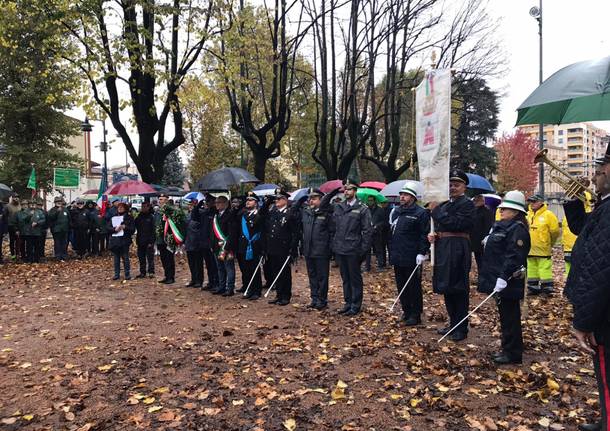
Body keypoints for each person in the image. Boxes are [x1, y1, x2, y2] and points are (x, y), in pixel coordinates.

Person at [563, 146, 610, 431]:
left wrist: (583, 321)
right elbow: (584, 231)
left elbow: (599, 271)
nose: (598, 172)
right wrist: (575, 200)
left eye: (603, 165)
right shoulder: (604, 206)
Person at [477, 191, 530, 365]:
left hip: (508, 280)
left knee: (510, 317)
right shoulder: (502, 226)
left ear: (515, 212)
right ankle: (508, 349)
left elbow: (514, 256)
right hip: (498, 278)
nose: (502, 211)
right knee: (505, 316)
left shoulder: (518, 229)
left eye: (506, 209)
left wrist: (503, 277)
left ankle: (513, 353)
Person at [428, 170, 475, 342]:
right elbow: (444, 226)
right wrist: (436, 235)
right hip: (444, 248)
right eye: (451, 184)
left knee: (458, 288)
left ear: (464, 187)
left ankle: (461, 327)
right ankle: (453, 323)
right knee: (447, 287)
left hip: (458, 249)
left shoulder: (467, 204)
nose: (452, 187)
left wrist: (437, 211)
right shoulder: (446, 204)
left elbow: (457, 224)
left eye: (457, 184)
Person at [389, 181, 430, 326]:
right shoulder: (397, 212)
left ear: (412, 197)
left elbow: (424, 234)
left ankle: (415, 314)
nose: (402, 197)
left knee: (413, 287)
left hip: (412, 256)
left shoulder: (420, 213)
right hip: (398, 255)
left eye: (405, 195)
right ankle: (406, 311)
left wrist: (422, 252)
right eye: (401, 194)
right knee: (401, 286)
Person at [332, 181, 373, 316]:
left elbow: (367, 231)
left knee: (355, 278)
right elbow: (334, 227)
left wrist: (363, 250)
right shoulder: (339, 207)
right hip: (340, 248)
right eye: (345, 190)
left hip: (354, 249)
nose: (346, 192)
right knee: (345, 278)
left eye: (349, 190)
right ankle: (347, 303)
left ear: (355, 191)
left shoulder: (362, 208)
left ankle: (356, 304)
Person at [301, 188, 338, 310]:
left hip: (321, 250)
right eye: (310, 198)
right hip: (309, 250)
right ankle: (314, 298)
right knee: (312, 276)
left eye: (315, 198)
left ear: (321, 200)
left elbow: (332, 231)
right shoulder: (307, 212)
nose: (311, 201)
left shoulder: (326, 213)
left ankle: (322, 300)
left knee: (322, 277)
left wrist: (330, 249)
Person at [264, 189, 300, 305]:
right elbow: (262, 215)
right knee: (275, 271)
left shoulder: (290, 213)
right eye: (275, 199)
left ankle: (285, 296)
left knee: (284, 272)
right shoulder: (273, 212)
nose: (276, 201)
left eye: (279, 199)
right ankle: (279, 294)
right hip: (273, 247)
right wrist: (268, 201)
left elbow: (295, 233)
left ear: (285, 200)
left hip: (284, 248)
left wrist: (292, 248)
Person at [526, 194, 559, 295]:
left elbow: (554, 231)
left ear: (541, 202)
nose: (532, 204)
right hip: (530, 248)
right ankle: (532, 287)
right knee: (531, 268)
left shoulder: (548, 215)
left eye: (534, 201)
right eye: (531, 202)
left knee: (544, 268)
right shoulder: (527, 214)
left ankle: (547, 288)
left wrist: (549, 242)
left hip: (543, 247)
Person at [237, 192, 265, 300]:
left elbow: (261, 231)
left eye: (251, 200)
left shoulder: (258, 215)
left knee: (254, 269)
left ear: (256, 203)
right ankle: (249, 288)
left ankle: (256, 291)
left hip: (254, 245)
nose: (248, 202)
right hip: (244, 246)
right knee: (246, 269)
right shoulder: (244, 215)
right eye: (247, 200)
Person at [212, 195, 239, 296]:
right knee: (220, 268)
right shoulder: (216, 215)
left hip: (227, 247)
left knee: (229, 268)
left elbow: (232, 233)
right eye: (216, 203)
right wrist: (212, 245)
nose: (217, 205)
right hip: (216, 246)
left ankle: (230, 288)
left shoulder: (230, 215)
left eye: (219, 202)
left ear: (225, 204)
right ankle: (221, 287)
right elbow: (213, 232)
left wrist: (227, 247)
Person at [154, 194, 179, 284]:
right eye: (159, 199)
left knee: (169, 258)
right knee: (163, 258)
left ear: (166, 201)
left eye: (162, 199)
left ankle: (171, 277)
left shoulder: (171, 211)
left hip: (169, 239)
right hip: (160, 239)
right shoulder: (158, 212)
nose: (160, 201)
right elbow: (155, 224)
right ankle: (166, 275)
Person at [108, 202, 135, 280]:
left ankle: (127, 274)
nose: (119, 208)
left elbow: (132, 229)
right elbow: (108, 228)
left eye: (122, 207)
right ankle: (116, 274)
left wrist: (125, 227)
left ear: (125, 209)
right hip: (115, 240)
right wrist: (114, 229)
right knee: (116, 258)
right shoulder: (113, 217)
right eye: (119, 207)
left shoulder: (129, 217)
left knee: (125, 258)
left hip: (124, 240)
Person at [470, 194, 494, 272]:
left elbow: (488, 226)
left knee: (482, 261)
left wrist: (485, 237)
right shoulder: (474, 211)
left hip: (481, 240)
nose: (475, 202)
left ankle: (483, 277)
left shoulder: (486, 211)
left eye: (477, 201)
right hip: (474, 239)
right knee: (478, 259)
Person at [184, 199, 205, 288]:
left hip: (197, 242)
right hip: (189, 241)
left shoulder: (200, 213)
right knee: (191, 263)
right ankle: (193, 279)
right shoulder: (188, 214)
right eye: (189, 204)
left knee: (198, 263)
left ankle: (199, 280)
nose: (190, 206)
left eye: (192, 204)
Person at [364, 196, 388, 272]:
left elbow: (384, 222)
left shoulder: (380, 210)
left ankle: (380, 266)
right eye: (368, 200)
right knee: (367, 251)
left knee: (378, 250)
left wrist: (377, 226)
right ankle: (367, 267)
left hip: (377, 233)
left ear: (374, 201)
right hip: (367, 233)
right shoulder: (365, 210)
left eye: (371, 200)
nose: (370, 202)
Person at [134, 201, 156, 278]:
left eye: (145, 207)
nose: (143, 208)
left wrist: (151, 241)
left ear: (148, 207)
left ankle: (151, 271)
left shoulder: (151, 217)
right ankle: (142, 272)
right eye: (142, 206)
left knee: (150, 257)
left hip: (149, 240)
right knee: (141, 257)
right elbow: (135, 225)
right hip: (140, 240)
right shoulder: (139, 217)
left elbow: (153, 230)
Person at [6, 195, 24, 260]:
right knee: (12, 241)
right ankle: (13, 255)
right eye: (15, 197)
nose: (16, 198)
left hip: (19, 226)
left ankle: (18, 255)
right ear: (12, 198)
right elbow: (5, 216)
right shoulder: (8, 206)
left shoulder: (20, 206)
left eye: (17, 197)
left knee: (19, 241)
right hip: (10, 226)